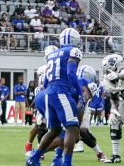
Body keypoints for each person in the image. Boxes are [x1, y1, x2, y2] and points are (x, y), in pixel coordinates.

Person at [26, 28, 83, 166]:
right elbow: (70, 73)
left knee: (55, 129)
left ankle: (34, 158)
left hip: (48, 92)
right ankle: (66, 163)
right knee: (71, 127)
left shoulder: (53, 53)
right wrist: (79, 91)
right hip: (61, 91)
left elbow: (45, 81)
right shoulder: (73, 51)